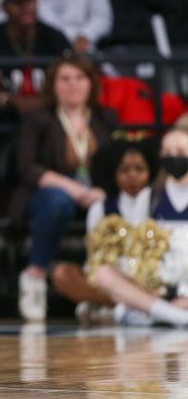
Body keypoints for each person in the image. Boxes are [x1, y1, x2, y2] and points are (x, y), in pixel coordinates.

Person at [13, 55, 117, 322]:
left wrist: (103, 190)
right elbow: (27, 167)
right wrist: (71, 187)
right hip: (48, 191)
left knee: (117, 204)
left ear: (91, 83)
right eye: (65, 79)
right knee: (58, 201)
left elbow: (118, 163)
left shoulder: (105, 118)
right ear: (53, 85)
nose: (73, 85)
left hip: (96, 193)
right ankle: (35, 275)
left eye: (79, 78)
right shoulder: (37, 118)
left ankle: (106, 288)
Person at [50, 139, 158, 324]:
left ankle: (112, 307)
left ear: (150, 171)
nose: (132, 176)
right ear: (113, 173)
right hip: (111, 279)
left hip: (149, 279)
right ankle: (127, 307)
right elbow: (94, 256)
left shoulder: (157, 202)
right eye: (124, 170)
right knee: (61, 274)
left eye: (139, 169)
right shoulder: (100, 208)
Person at [92, 129, 188, 327]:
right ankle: (174, 315)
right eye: (168, 152)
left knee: (123, 312)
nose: (174, 157)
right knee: (104, 274)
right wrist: (147, 282)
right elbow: (134, 247)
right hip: (160, 284)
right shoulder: (150, 196)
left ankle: (154, 313)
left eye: (180, 151)